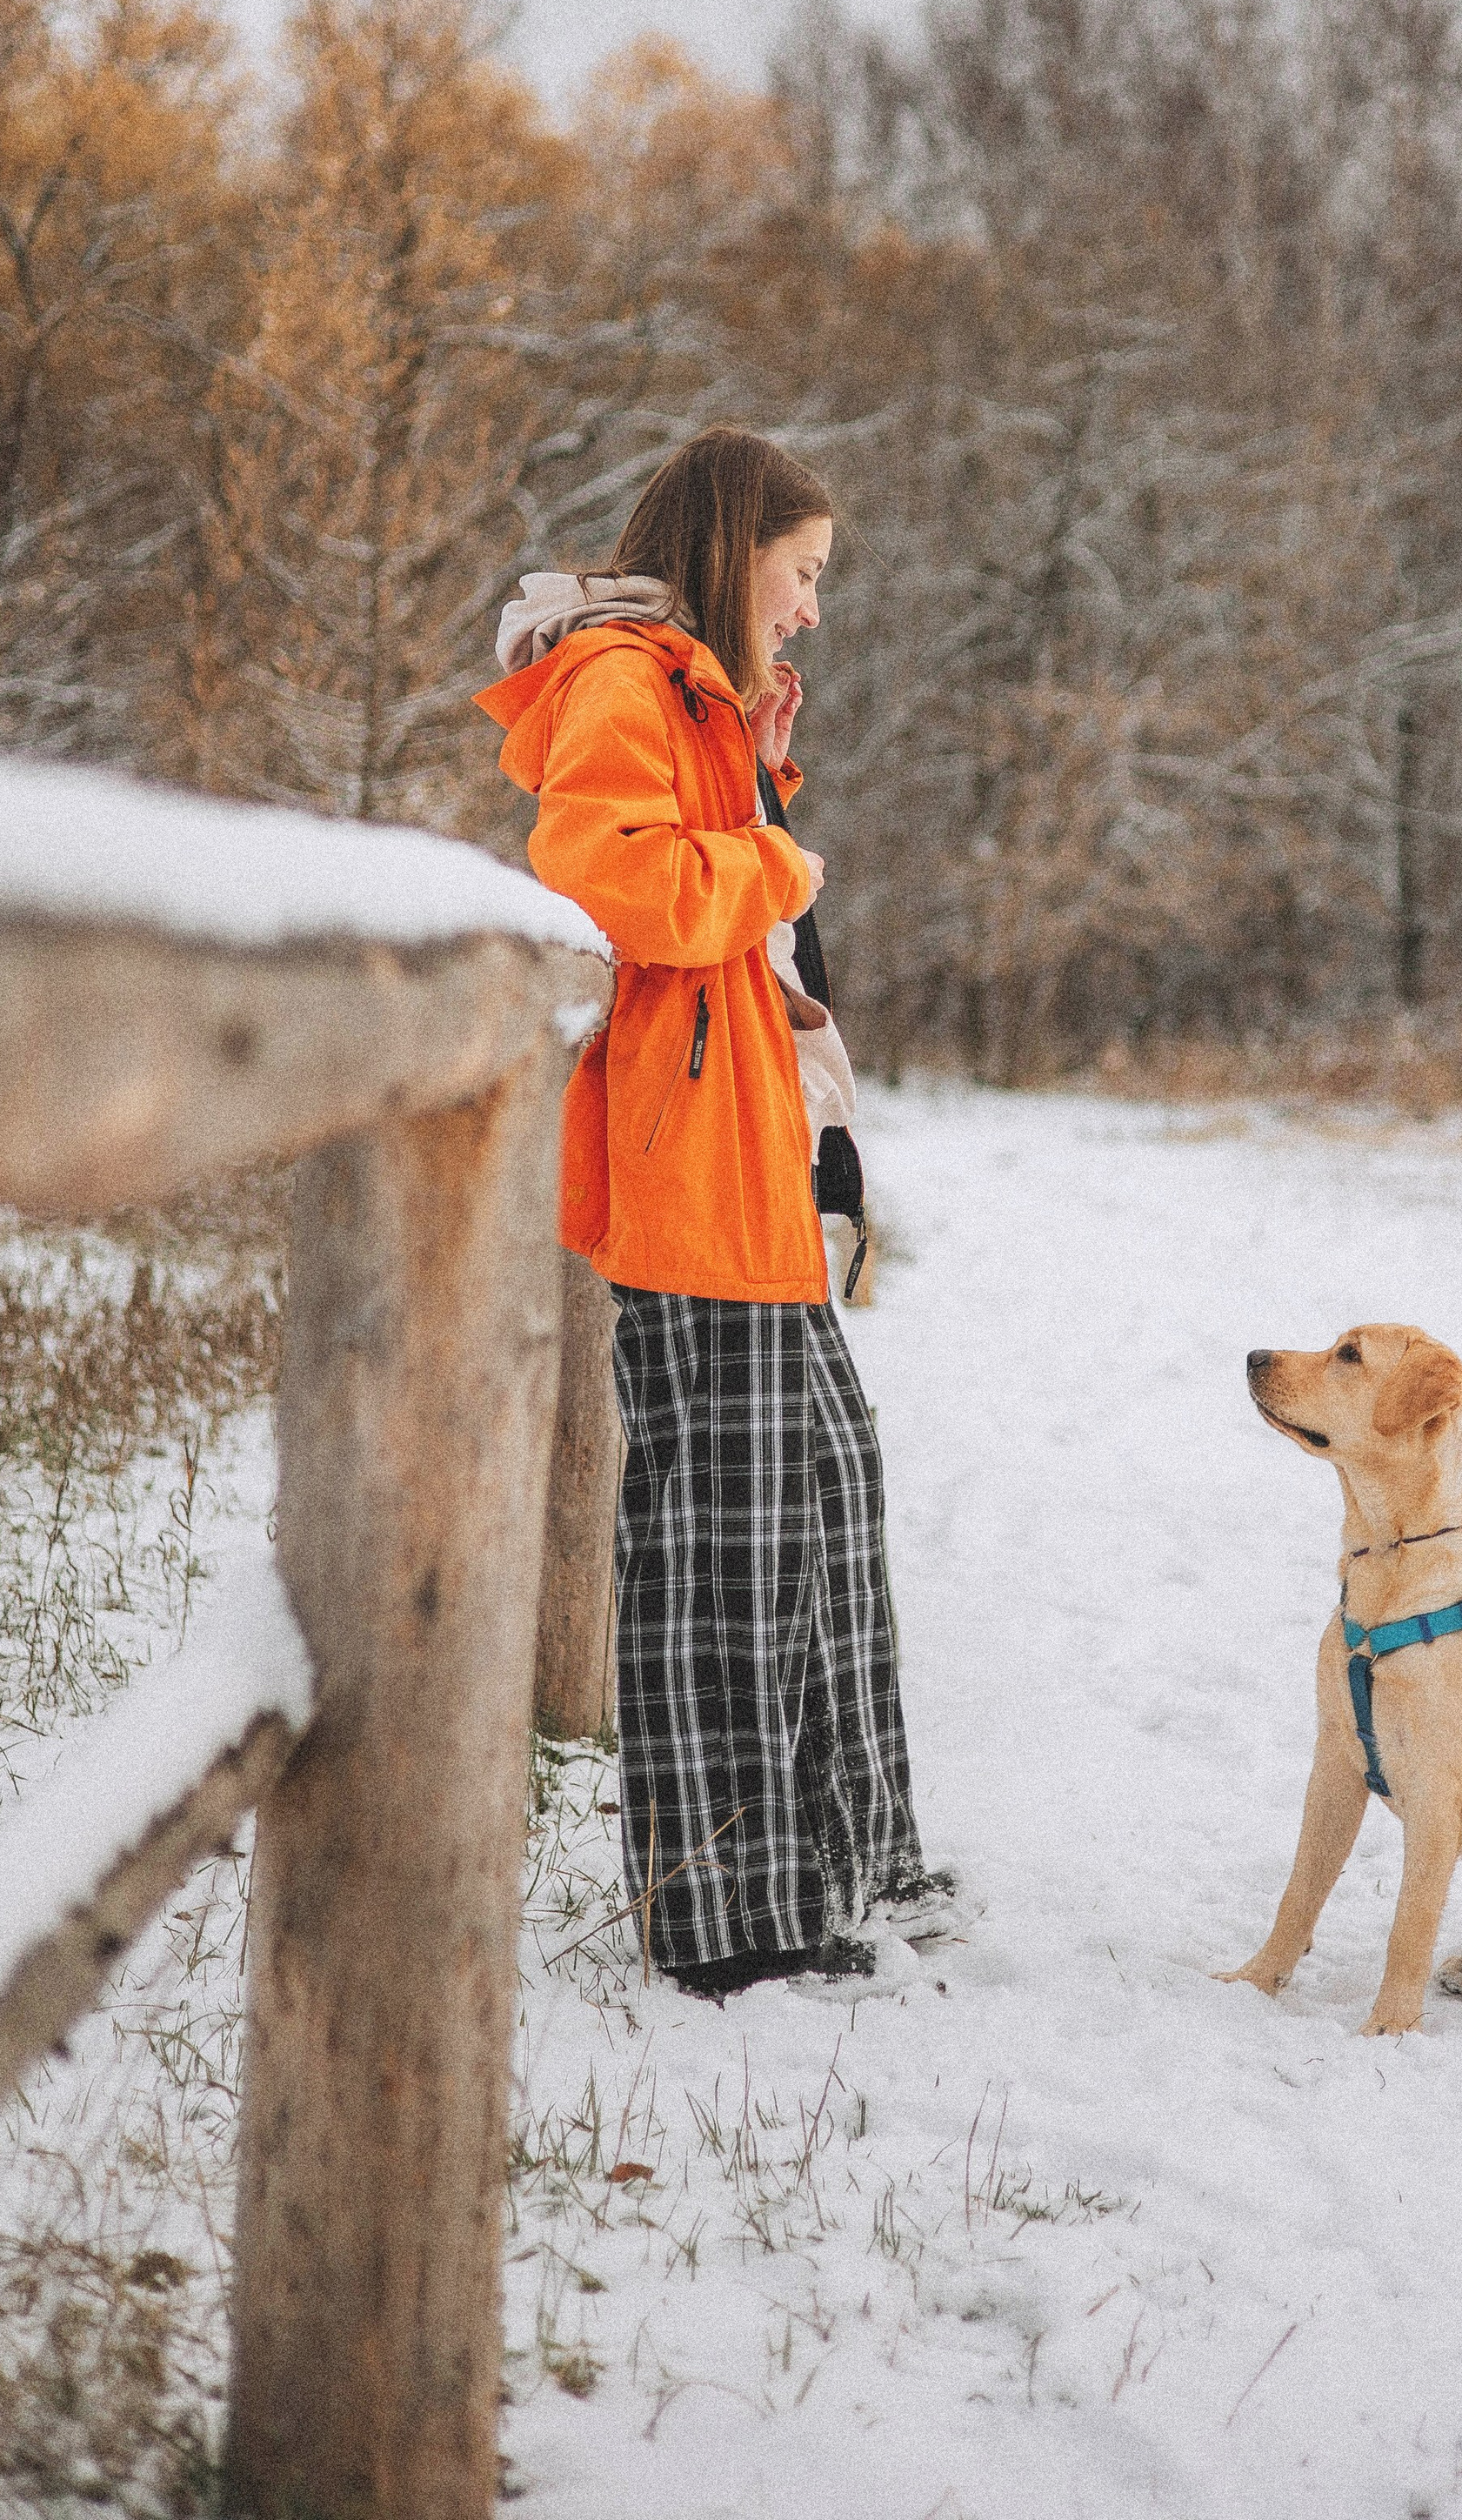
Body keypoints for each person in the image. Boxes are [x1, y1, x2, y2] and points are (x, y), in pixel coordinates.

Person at [478, 426, 941, 1997]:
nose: (811, 608)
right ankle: (730, 1920)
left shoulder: (691, 697)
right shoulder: (621, 678)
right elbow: (617, 883)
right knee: (720, 1547)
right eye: (802, 575)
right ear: (738, 550)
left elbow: (698, 880)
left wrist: (755, 793)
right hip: (687, 1179)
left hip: (742, 1169)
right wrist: (776, 865)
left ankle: (844, 1857)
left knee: (824, 1495)